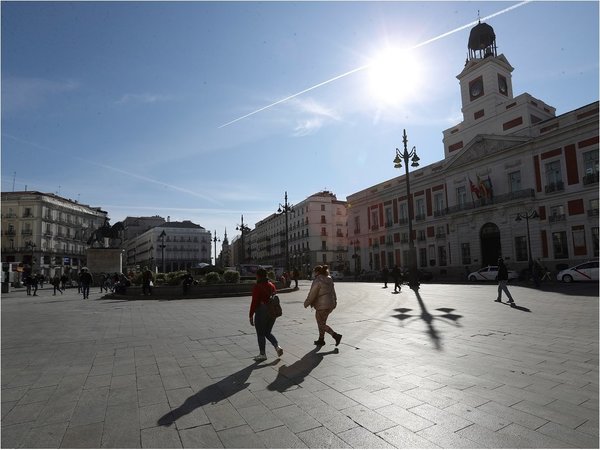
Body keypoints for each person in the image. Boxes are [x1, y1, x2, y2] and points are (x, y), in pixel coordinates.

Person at [249, 267, 283, 362]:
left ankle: (262, 354)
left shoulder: (257, 286)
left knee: (260, 333)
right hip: (272, 311)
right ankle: (277, 347)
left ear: (258, 276)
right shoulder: (272, 285)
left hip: (261, 311)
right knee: (267, 332)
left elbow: (254, 302)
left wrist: (251, 315)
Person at [304, 265, 342, 347]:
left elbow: (312, 294)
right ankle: (321, 339)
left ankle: (335, 335)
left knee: (321, 324)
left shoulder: (317, 280)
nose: (314, 273)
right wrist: (335, 302)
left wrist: (306, 303)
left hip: (322, 305)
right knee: (322, 322)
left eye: (314, 271)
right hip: (330, 304)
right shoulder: (329, 278)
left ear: (317, 272)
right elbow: (333, 292)